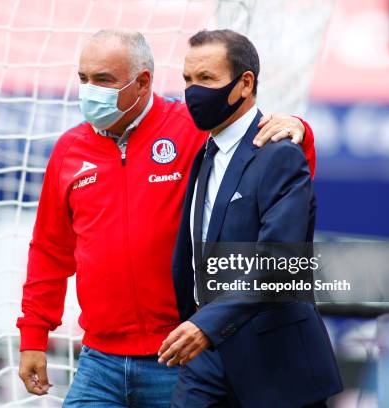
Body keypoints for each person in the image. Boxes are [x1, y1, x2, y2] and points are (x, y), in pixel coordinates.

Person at [16, 29, 318, 407]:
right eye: (83, 79)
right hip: (99, 360)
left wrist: (300, 132)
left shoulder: (193, 127)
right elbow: (50, 249)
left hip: (179, 350)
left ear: (142, 82)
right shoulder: (68, 151)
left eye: (103, 80)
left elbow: (263, 161)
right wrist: (33, 335)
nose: (89, 90)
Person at [158, 29, 342, 407]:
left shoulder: (280, 155)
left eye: (206, 79)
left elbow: (278, 261)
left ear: (245, 84)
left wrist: (205, 324)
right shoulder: (204, 153)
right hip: (207, 357)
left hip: (275, 362)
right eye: (188, 80)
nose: (193, 92)